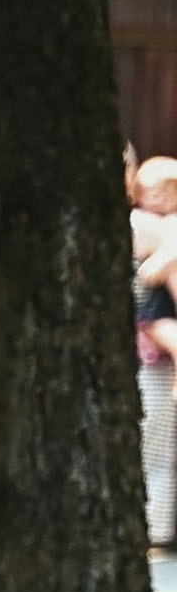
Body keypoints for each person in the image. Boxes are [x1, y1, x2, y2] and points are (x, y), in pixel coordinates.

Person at [130, 153, 177, 548]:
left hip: (153, 349)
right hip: (150, 345)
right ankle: (153, 530)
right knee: (155, 446)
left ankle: (154, 531)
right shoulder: (151, 225)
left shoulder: (156, 226)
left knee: (154, 447)